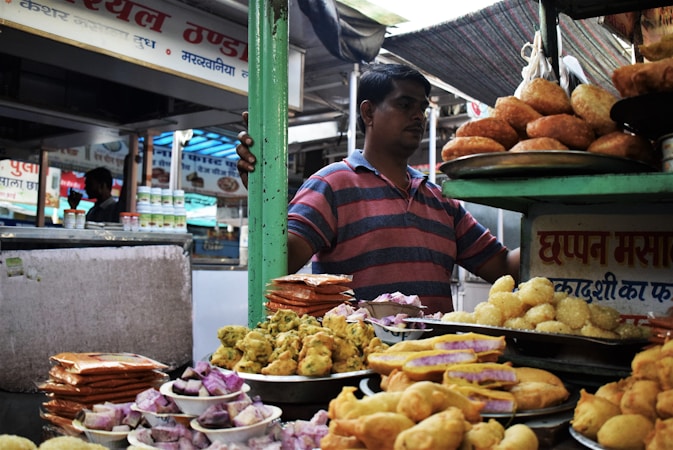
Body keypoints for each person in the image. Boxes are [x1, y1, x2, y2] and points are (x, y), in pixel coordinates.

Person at [236, 63, 520, 313]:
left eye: (421, 107)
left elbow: (503, 267)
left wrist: (554, 224)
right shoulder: (332, 185)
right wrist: (264, 199)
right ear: (369, 112)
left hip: (433, 366)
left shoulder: (440, 200)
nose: (418, 116)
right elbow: (279, 264)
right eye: (405, 105)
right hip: (357, 365)